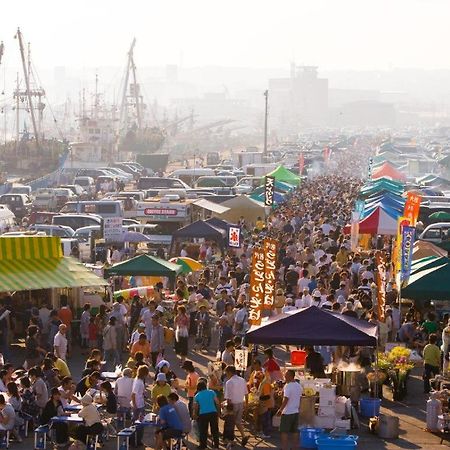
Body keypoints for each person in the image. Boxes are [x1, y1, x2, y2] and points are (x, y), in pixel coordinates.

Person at [276, 369, 302, 450]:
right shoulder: (299, 386)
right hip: (296, 411)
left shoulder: (288, 386)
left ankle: (284, 448)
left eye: (286, 375)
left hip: (287, 412)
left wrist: (280, 410)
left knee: (284, 431)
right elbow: (300, 399)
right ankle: (295, 447)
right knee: (295, 431)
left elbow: (286, 399)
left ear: (290, 376)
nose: (285, 377)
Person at [223, 365, 249, 447]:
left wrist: (228, 408)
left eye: (226, 372)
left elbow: (228, 397)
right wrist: (246, 404)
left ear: (230, 372)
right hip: (241, 403)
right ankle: (243, 436)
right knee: (238, 421)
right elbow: (246, 393)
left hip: (232, 404)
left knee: (229, 423)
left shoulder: (229, 382)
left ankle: (229, 440)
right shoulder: (242, 380)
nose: (226, 374)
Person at [193, 380, 220, 450]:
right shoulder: (212, 392)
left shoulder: (197, 396)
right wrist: (218, 411)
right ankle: (216, 445)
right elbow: (217, 402)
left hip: (203, 414)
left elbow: (196, 407)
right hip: (213, 413)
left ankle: (203, 446)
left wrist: (195, 414)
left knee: (203, 431)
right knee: (214, 430)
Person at [131, 365, 149, 446]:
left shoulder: (138, 380)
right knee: (139, 424)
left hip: (139, 404)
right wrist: (135, 405)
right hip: (138, 405)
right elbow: (133, 394)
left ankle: (135, 441)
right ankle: (137, 441)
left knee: (137, 424)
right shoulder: (138, 382)